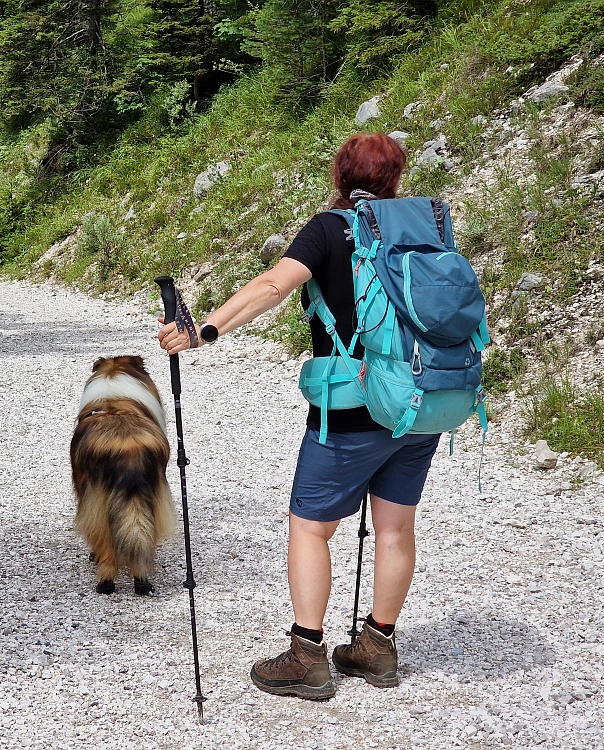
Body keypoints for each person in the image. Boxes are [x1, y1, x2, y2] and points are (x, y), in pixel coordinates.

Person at [157, 132, 442, 700]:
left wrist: (205, 330)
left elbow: (272, 286)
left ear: (340, 176)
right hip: (421, 404)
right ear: (396, 179)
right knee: (394, 528)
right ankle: (377, 648)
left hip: (354, 407)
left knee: (311, 527)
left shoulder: (328, 229)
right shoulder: (423, 229)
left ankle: (307, 656)